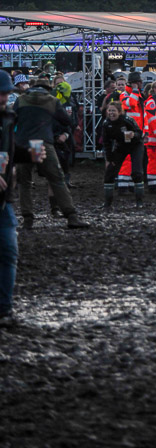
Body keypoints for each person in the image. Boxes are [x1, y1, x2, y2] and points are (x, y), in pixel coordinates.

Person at [14, 78, 89, 230]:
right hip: (42, 144)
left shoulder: (20, 100)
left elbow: (12, 119)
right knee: (56, 179)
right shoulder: (52, 100)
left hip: (23, 144)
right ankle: (71, 215)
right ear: (48, 89)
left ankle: (27, 218)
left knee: (25, 183)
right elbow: (67, 121)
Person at [0, 70, 26, 323]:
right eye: (2, 92)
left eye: (7, 92)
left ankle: (5, 309)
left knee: (9, 251)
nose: (5, 96)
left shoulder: (8, 117)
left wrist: (29, 154)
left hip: (4, 196)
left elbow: (11, 151)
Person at [102, 101, 145, 208]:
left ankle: (139, 202)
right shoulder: (106, 124)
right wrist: (109, 158)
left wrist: (133, 134)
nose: (111, 113)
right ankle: (107, 204)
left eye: (114, 111)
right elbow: (106, 142)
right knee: (109, 173)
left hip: (135, 146)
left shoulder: (127, 120)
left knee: (136, 173)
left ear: (120, 112)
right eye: (109, 110)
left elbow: (140, 133)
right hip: (121, 146)